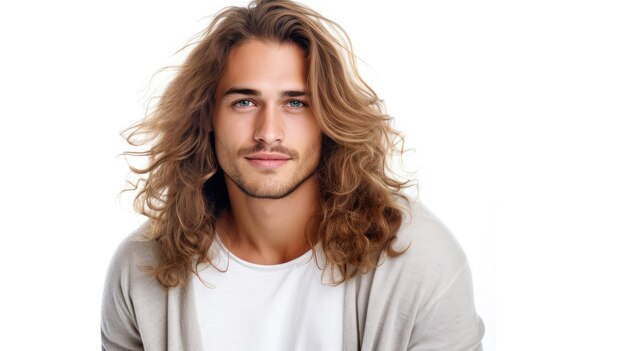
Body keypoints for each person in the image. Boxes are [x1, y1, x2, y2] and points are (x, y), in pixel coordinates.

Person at [101, 0, 485, 350]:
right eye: (245, 102)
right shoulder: (141, 269)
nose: (268, 131)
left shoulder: (418, 260)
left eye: (296, 103)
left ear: (328, 119)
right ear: (207, 116)